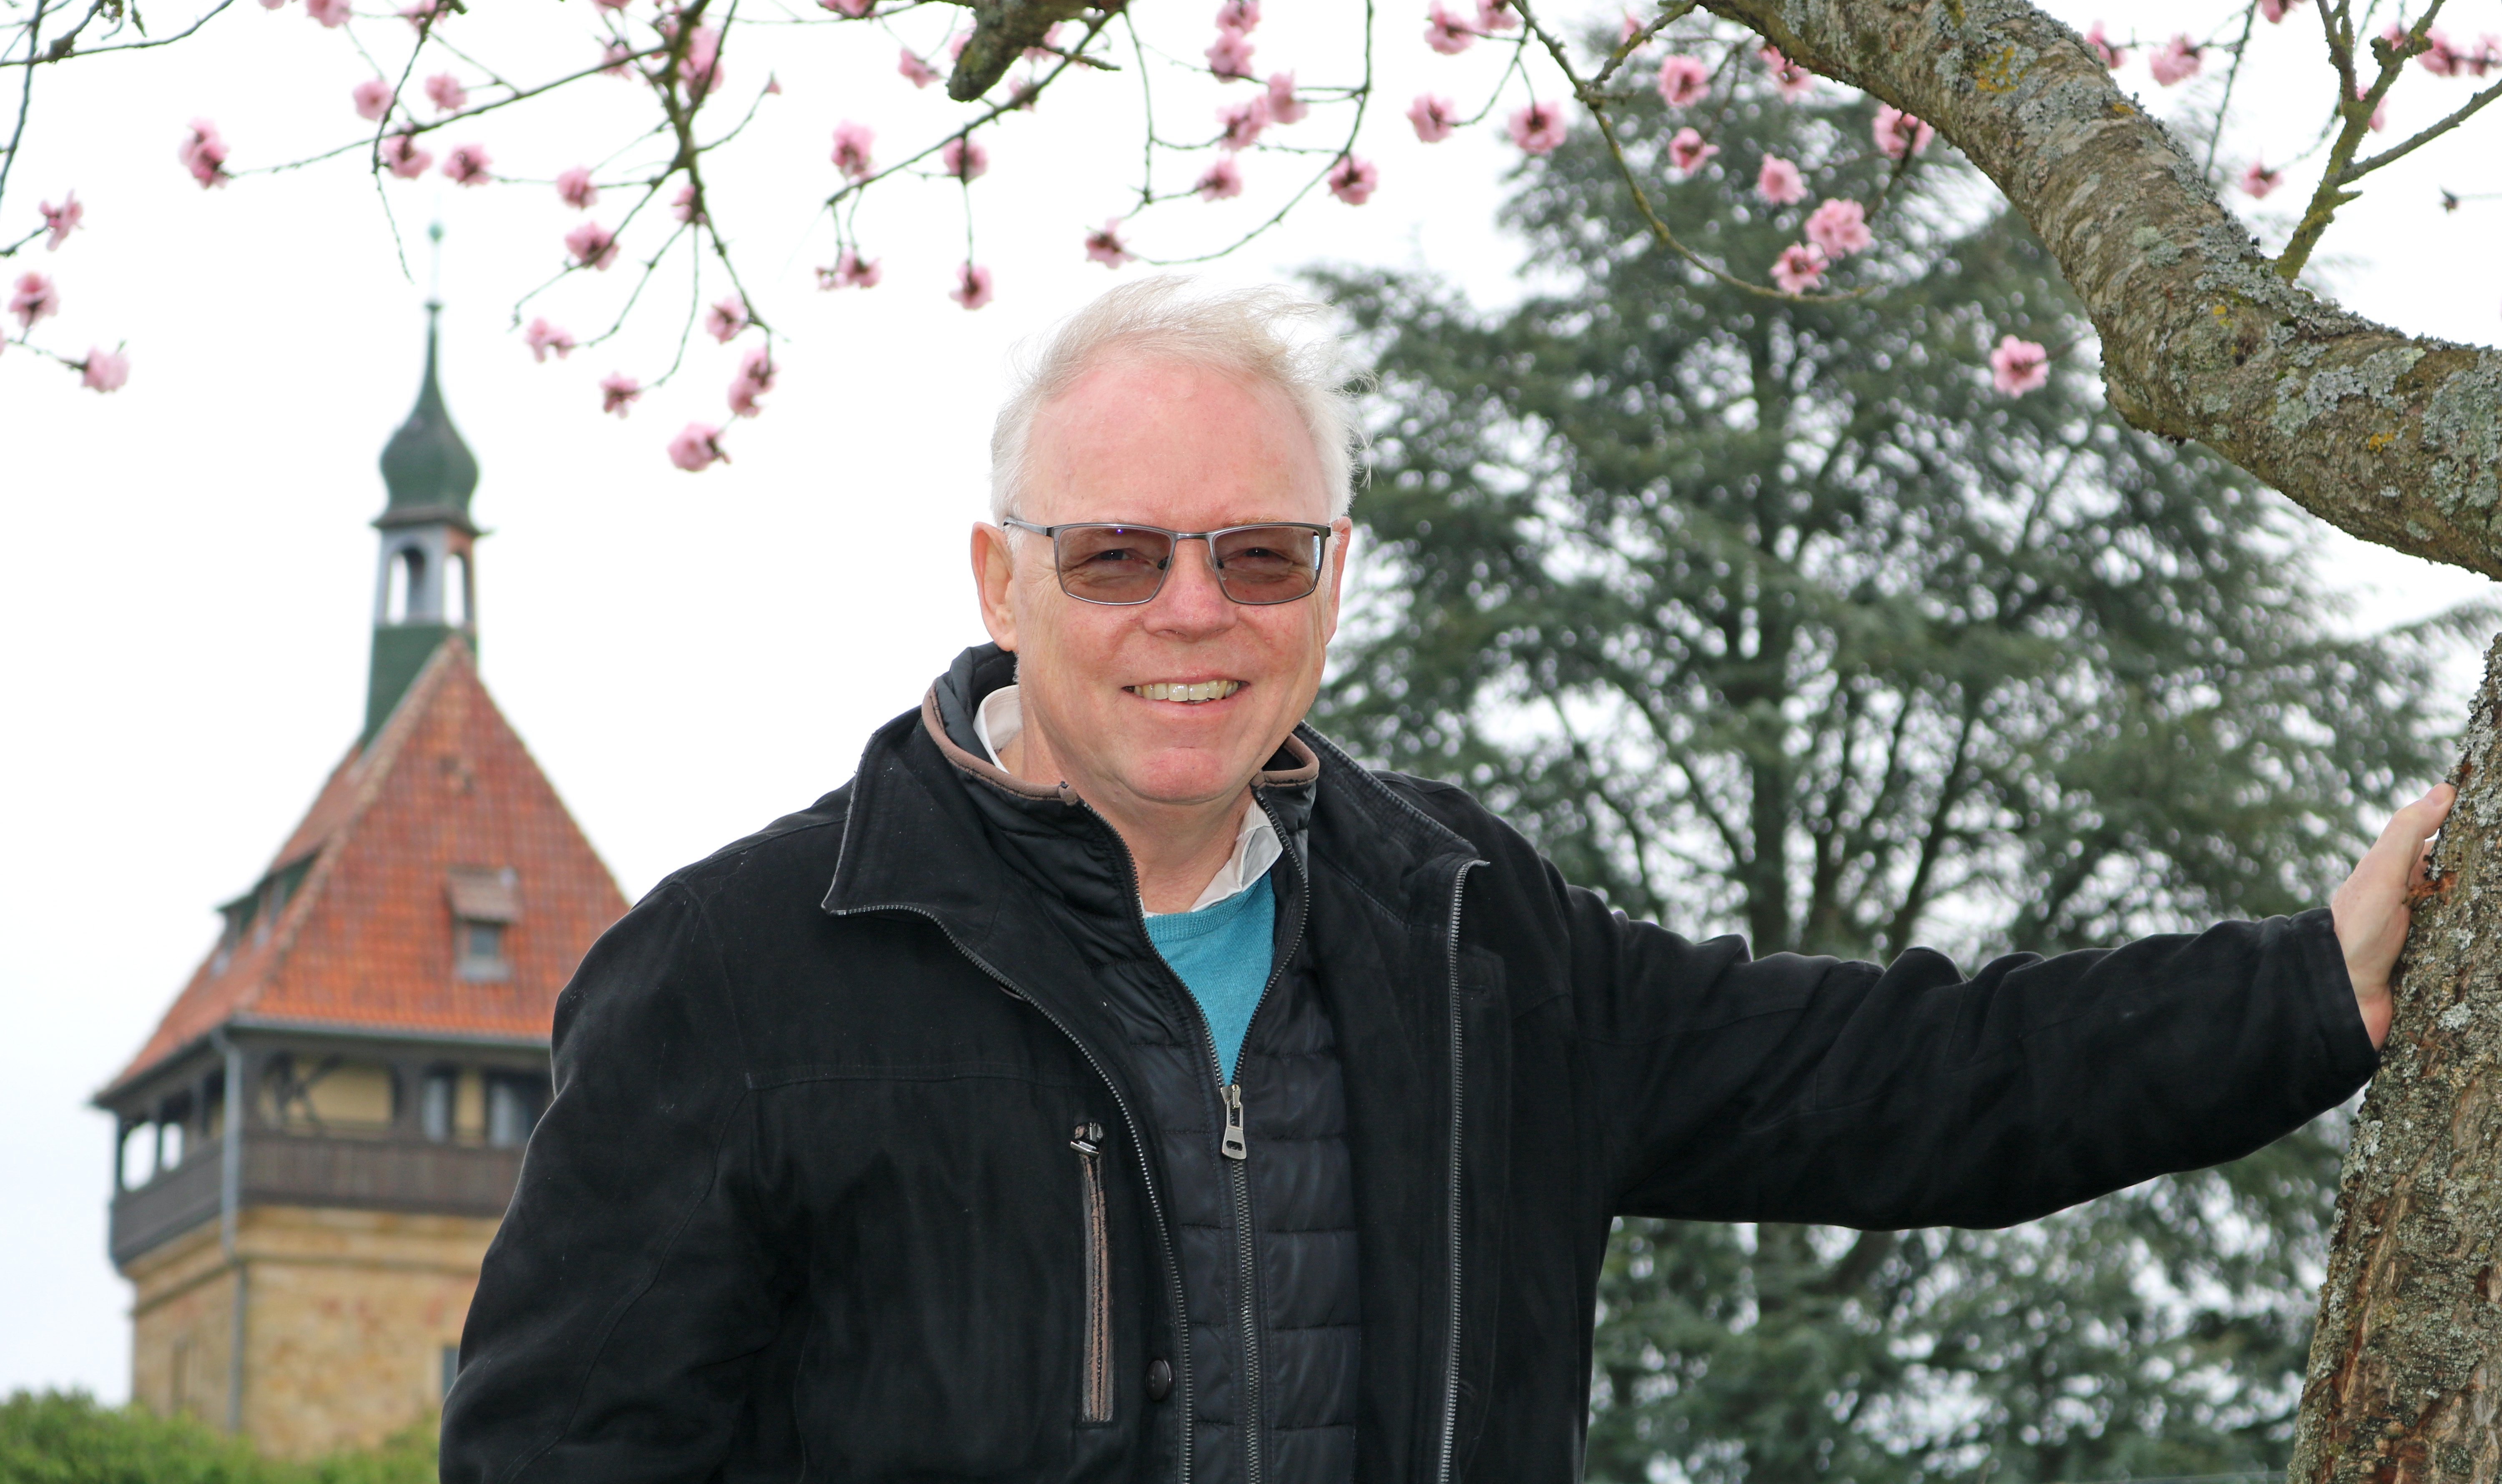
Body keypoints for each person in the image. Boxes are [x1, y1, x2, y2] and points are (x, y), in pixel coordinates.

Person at [441, 279, 2452, 1484]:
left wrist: (2307, 995)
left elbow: (1910, 1081)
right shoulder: (731, 981)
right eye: (1117, 555)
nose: (1190, 614)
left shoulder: (1473, 936)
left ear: (1334, 574)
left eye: (1262, 554)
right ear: (1000, 579)